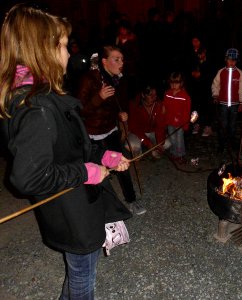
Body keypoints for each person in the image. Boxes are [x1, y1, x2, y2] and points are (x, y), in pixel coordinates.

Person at [0, 4, 132, 299]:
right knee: (83, 274)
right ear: (40, 50)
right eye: (61, 45)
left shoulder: (40, 96)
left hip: (75, 204)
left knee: (78, 272)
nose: (68, 53)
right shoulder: (37, 107)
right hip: (71, 210)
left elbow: (70, 146)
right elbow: (27, 177)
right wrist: (86, 171)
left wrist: (102, 156)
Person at [76, 45, 146, 215]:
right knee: (97, 172)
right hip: (92, 134)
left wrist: (122, 114)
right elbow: (78, 111)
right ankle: (98, 208)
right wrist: (98, 98)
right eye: (116, 59)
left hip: (111, 129)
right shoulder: (89, 79)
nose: (121, 63)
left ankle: (131, 200)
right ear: (104, 62)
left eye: (122, 59)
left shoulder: (118, 79)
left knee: (121, 163)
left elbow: (118, 103)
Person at [211, 48, 242, 153]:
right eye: (229, 59)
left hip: (235, 105)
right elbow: (215, 84)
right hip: (222, 103)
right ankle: (221, 144)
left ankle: (231, 142)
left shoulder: (239, 73)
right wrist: (215, 95)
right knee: (223, 124)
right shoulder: (221, 72)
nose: (232, 62)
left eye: (234, 60)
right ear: (225, 59)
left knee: (233, 125)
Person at [127, 84, 170, 158]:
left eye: (155, 95)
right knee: (132, 146)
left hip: (153, 132)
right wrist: (148, 143)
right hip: (138, 133)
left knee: (167, 144)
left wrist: (159, 142)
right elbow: (134, 128)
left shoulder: (159, 104)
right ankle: (144, 148)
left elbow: (160, 126)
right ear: (143, 95)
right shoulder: (134, 104)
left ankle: (153, 148)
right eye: (150, 95)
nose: (154, 97)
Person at [185, 33, 214, 137]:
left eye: (197, 41)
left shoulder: (207, 52)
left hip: (205, 83)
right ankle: (195, 123)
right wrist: (191, 73)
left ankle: (207, 126)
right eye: (193, 41)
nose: (195, 43)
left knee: (206, 104)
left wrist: (201, 73)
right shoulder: (189, 52)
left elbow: (211, 68)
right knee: (195, 104)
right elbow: (185, 65)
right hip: (193, 84)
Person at [163, 72, 191, 162]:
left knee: (179, 139)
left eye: (176, 83)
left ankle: (181, 155)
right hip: (170, 121)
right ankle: (174, 153)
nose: (174, 85)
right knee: (172, 138)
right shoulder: (167, 93)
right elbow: (165, 106)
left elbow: (187, 111)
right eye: (172, 83)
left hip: (180, 123)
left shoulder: (185, 96)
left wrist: (185, 125)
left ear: (181, 83)